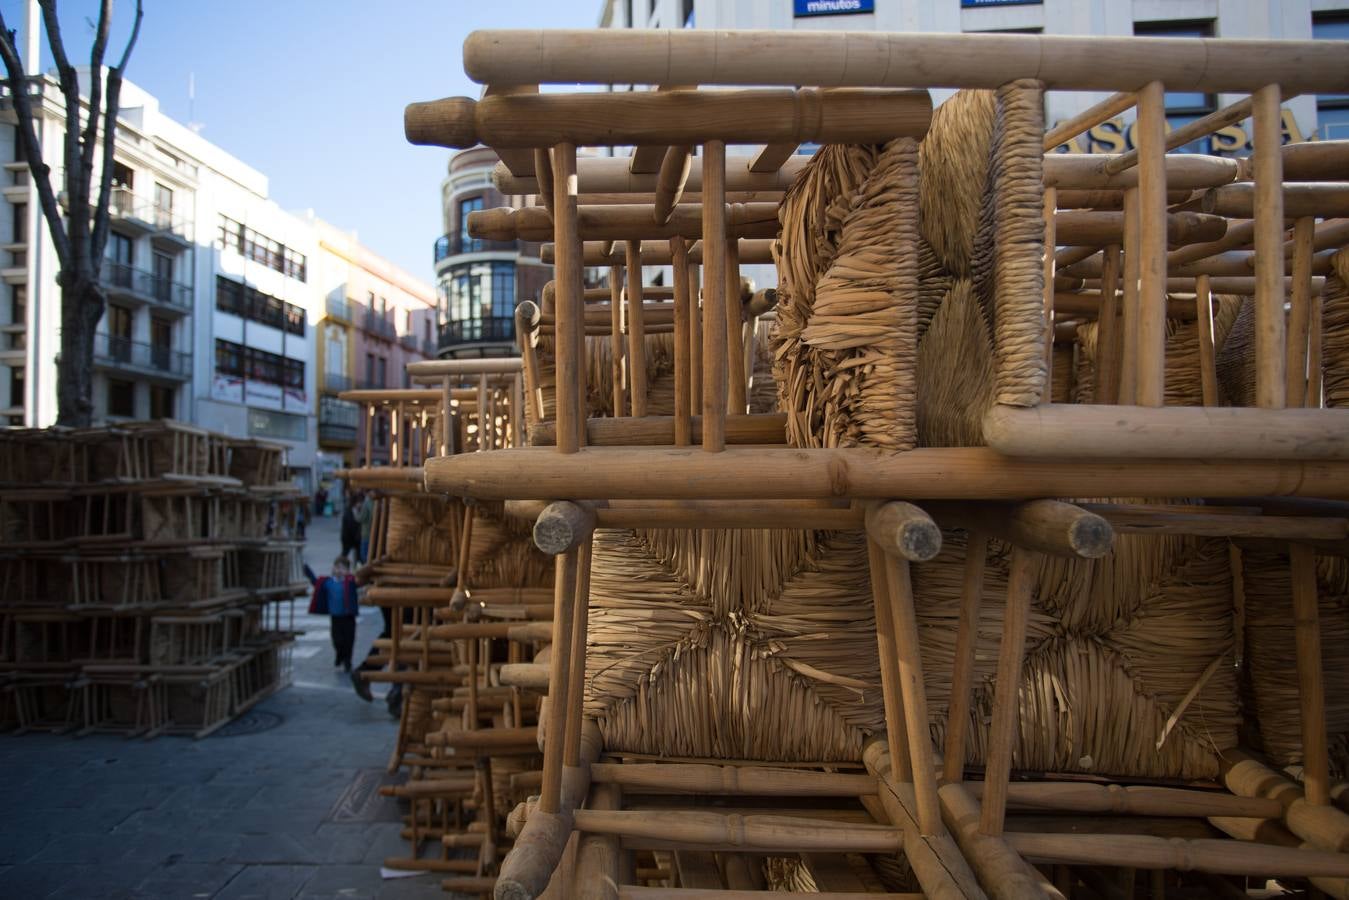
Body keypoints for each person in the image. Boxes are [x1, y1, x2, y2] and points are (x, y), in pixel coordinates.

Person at [305, 556, 360, 671]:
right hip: (335, 617)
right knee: (337, 640)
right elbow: (316, 582)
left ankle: (347, 661)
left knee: (349, 640)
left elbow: (362, 581)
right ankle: (340, 655)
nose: (340, 570)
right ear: (333, 568)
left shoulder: (350, 582)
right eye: (337, 567)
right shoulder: (328, 582)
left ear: (348, 571)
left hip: (348, 617)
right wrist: (307, 570)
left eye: (343, 568)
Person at [340, 492, 361, 564]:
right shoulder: (349, 511)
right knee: (345, 553)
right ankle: (340, 564)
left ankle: (357, 566)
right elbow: (350, 525)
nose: (360, 504)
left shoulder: (354, 510)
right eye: (359, 502)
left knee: (358, 554)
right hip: (348, 537)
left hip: (353, 537)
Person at [355, 492, 373, 564]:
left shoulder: (367, 504)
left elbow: (361, 518)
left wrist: (356, 511)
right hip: (375, 533)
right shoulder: (380, 502)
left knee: (364, 555)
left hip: (366, 533)